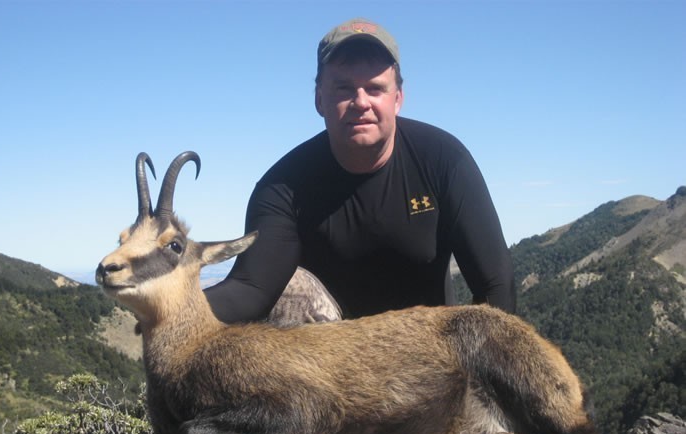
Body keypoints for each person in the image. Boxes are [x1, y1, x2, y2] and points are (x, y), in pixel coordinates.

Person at [205, 18, 515, 323]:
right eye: (344, 88)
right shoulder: (282, 187)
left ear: (398, 99)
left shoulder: (445, 161)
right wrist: (170, 307)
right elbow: (251, 289)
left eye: (375, 88)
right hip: (332, 361)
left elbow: (496, 285)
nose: (360, 102)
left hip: (428, 353)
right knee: (290, 290)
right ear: (319, 99)